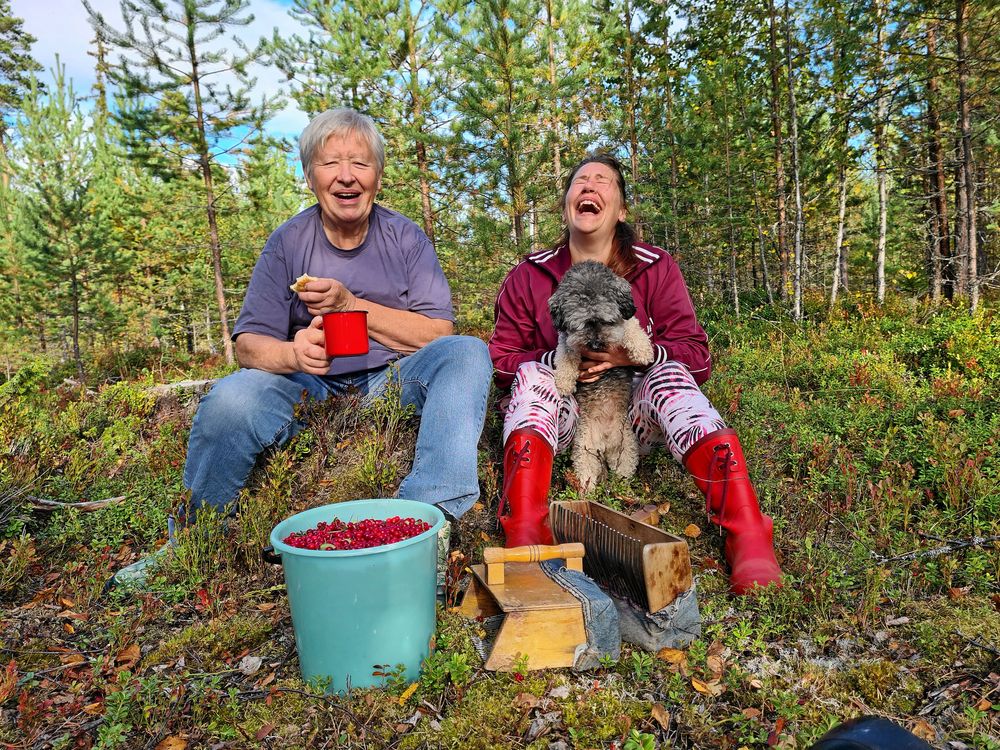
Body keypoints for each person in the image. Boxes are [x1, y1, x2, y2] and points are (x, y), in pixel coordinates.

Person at [115, 108, 493, 585]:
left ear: (378, 175)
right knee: (231, 399)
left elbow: (440, 334)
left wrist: (350, 305)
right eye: (330, 162)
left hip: (392, 381)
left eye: (360, 162)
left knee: (468, 353)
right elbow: (248, 346)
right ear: (309, 175)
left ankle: (422, 523)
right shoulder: (288, 242)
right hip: (307, 385)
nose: (346, 176)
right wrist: (294, 356)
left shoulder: (405, 239)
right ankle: (190, 542)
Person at [488, 153, 781, 595]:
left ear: (620, 209)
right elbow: (500, 360)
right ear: (566, 204)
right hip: (563, 424)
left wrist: (631, 356)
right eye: (580, 180)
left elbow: (697, 356)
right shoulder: (529, 275)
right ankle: (526, 528)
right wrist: (559, 358)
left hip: (635, 420)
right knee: (534, 375)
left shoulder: (654, 266)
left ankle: (748, 531)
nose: (589, 186)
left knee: (670, 374)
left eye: (602, 180)